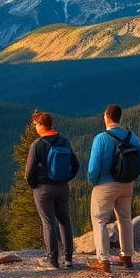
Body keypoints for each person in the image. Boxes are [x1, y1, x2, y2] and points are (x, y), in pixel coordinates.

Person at [86, 104, 140, 273]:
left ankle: (103, 259)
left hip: (105, 185)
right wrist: (133, 178)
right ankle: (127, 256)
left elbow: (93, 167)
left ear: (106, 116)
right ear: (119, 117)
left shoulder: (101, 138)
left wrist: (93, 181)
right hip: (127, 185)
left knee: (100, 220)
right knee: (125, 219)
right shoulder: (131, 136)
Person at [24, 110, 80, 269]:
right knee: (65, 220)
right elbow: (75, 165)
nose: (34, 127)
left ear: (41, 125)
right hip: (62, 187)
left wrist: (34, 185)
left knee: (48, 222)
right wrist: (65, 179)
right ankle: (68, 259)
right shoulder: (64, 141)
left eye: (35, 124)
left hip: (43, 188)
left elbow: (29, 172)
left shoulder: (37, 145)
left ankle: (52, 260)